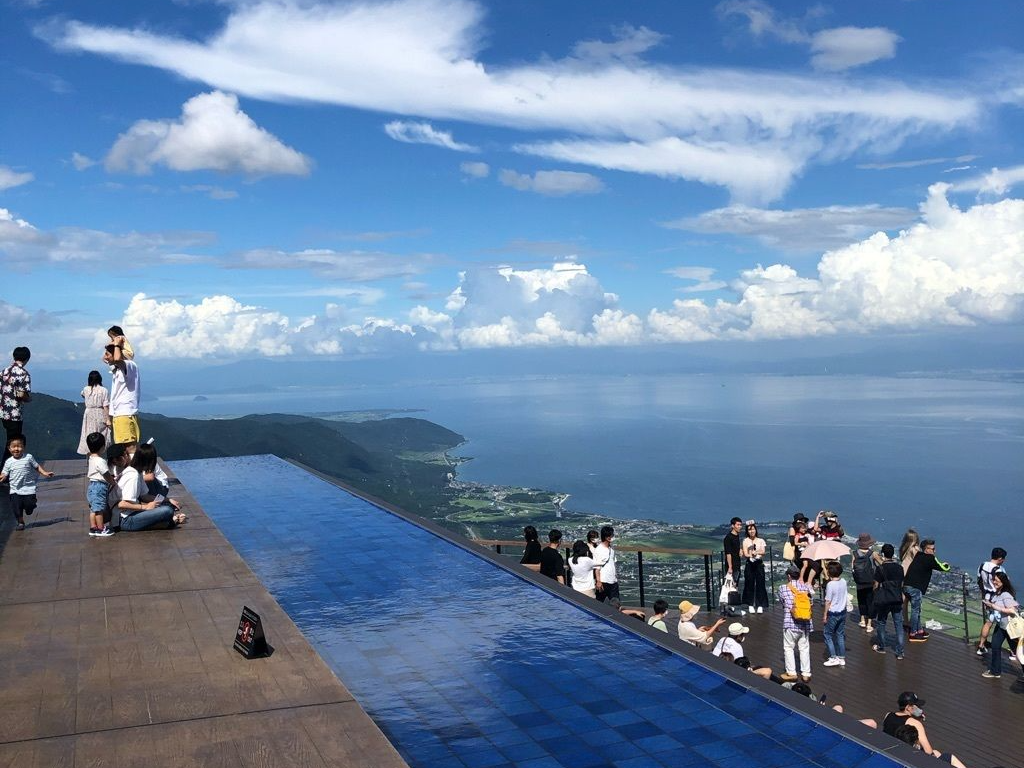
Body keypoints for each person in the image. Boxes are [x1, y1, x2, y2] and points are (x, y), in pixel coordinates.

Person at [112, 444, 185, 531]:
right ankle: (168, 522)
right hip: (125, 520)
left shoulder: (137, 472)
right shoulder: (133, 476)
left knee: (166, 506)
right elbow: (122, 504)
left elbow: (145, 496)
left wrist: (168, 500)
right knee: (167, 511)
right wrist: (145, 507)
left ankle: (167, 522)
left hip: (131, 514)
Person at [0, 434, 55, 530]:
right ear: (9, 448)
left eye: (19, 446)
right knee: (16, 508)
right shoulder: (8, 462)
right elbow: (4, 473)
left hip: (28, 488)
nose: (16, 449)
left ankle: (30, 507)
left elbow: (36, 466)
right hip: (15, 490)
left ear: (24, 447)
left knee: (29, 506)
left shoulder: (28, 457)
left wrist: (45, 473)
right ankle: (20, 522)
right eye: (13, 447)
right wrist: (3, 477)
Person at [903, 539, 951, 641]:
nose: (934, 551)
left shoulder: (918, 555)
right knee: (916, 611)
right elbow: (943, 568)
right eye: (933, 549)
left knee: (917, 609)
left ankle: (919, 630)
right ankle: (913, 633)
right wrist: (947, 565)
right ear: (927, 549)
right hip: (916, 588)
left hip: (907, 585)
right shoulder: (930, 558)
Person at [103, 341, 141, 450]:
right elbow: (111, 360)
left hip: (124, 413)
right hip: (120, 414)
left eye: (107, 354)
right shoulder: (118, 369)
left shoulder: (129, 365)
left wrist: (117, 345)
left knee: (129, 448)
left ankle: (132, 466)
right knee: (123, 447)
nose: (105, 358)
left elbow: (117, 359)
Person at [779, 566, 814, 681]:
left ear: (789, 576)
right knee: (804, 648)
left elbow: (783, 602)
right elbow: (811, 603)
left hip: (790, 622)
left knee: (789, 647)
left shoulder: (783, 588)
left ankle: (791, 673)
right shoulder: (806, 588)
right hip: (805, 623)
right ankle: (806, 674)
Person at [982, 571, 1019, 680]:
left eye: (997, 581)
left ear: (1003, 582)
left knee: (1018, 651)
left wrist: (994, 606)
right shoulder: (998, 592)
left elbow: (1012, 610)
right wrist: (990, 606)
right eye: (994, 580)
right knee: (995, 646)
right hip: (1001, 625)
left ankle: (995, 671)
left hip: (1009, 627)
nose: (994, 582)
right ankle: (995, 671)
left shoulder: (1005, 594)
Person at [872, 543, 906, 660]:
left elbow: (876, 585)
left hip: (885, 599)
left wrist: (875, 593)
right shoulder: (899, 568)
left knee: (881, 622)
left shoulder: (880, 568)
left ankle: (881, 647)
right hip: (896, 598)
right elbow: (901, 584)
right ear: (893, 554)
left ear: (883, 554)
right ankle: (900, 652)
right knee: (898, 625)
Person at [1, 346, 32, 469]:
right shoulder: (24, 374)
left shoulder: (4, 371)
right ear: (26, 359)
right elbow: (22, 394)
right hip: (15, 413)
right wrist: (29, 399)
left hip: (3, 412)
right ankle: (5, 474)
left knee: (10, 442)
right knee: (13, 444)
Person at [882, 692, 936, 756]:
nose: (920, 708)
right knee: (940, 754)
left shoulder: (888, 715)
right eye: (918, 706)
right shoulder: (915, 723)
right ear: (908, 707)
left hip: (886, 750)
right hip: (905, 755)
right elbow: (928, 752)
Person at [977, 547, 1008, 656]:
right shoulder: (999, 570)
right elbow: (1005, 584)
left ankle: (981, 645)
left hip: (987, 597)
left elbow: (979, 579)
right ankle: (1013, 651)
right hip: (997, 598)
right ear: (1000, 558)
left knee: (989, 622)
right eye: (1003, 559)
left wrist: (985, 593)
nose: (1004, 561)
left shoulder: (982, 565)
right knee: (1005, 623)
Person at [85, 431, 115, 537]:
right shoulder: (100, 461)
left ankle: (93, 527)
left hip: (92, 485)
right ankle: (101, 528)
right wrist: (112, 481)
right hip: (99, 486)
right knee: (99, 509)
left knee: (93, 508)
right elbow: (106, 474)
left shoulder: (91, 458)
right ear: (102, 447)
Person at [893, 725, 967, 768]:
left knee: (936, 753)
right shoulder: (917, 754)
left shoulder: (896, 753)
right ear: (915, 742)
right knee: (949, 757)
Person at [851, 533, 882, 634]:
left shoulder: (854, 553)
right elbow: (881, 564)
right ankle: (869, 624)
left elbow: (852, 567)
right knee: (870, 601)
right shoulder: (873, 553)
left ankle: (862, 620)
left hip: (859, 581)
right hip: (870, 581)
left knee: (861, 600)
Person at [77, 371, 111, 455]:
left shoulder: (86, 389)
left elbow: (82, 394)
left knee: (89, 434)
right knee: (100, 435)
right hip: (100, 412)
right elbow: (105, 406)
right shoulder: (104, 390)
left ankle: (90, 456)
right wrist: (108, 419)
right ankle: (99, 454)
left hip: (88, 413)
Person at [822, 560, 848, 667]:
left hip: (833, 613)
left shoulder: (830, 585)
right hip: (843, 612)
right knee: (840, 635)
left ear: (829, 572)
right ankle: (841, 657)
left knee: (827, 635)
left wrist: (824, 615)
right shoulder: (844, 581)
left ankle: (833, 657)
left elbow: (828, 601)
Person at [741, 521, 768, 612]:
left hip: (759, 563)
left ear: (756, 530)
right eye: (749, 530)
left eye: (753, 529)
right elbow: (745, 553)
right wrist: (751, 554)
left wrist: (756, 553)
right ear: (747, 531)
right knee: (749, 583)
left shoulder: (760, 540)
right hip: (750, 563)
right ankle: (750, 604)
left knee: (760, 584)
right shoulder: (745, 541)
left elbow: (763, 552)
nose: (751, 531)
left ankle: (760, 604)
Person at [593, 525, 619, 603]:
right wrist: (598, 581)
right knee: (599, 604)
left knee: (616, 604)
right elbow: (597, 567)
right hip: (603, 581)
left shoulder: (611, 549)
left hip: (613, 580)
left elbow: (613, 563)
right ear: (605, 536)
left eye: (611, 535)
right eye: (609, 535)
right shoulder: (599, 549)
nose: (611, 537)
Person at [723, 517, 743, 583]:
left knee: (735, 584)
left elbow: (736, 546)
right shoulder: (728, 538)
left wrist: (740, 549)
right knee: (731, 585)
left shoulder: (737, 535)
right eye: (738, 525)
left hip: (737, 564)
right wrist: (730, 567)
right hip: (732, 566)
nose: (740, 527)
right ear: (733, 526)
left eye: (740, 525)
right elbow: (728, 553)